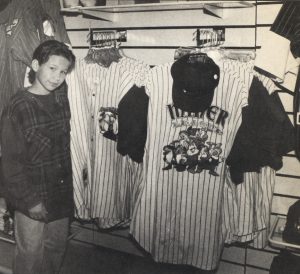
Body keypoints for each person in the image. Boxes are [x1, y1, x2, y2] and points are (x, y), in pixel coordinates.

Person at [0, 40, 75, 274]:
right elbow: (10, 163)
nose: (57, 77)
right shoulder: (18, 106)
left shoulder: (61, 97)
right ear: (35, 65)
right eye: (52, 68)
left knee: (55, 248)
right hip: (32, 195)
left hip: (60, 193)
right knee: (30, 254)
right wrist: (30, 200)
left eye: (63, 71)